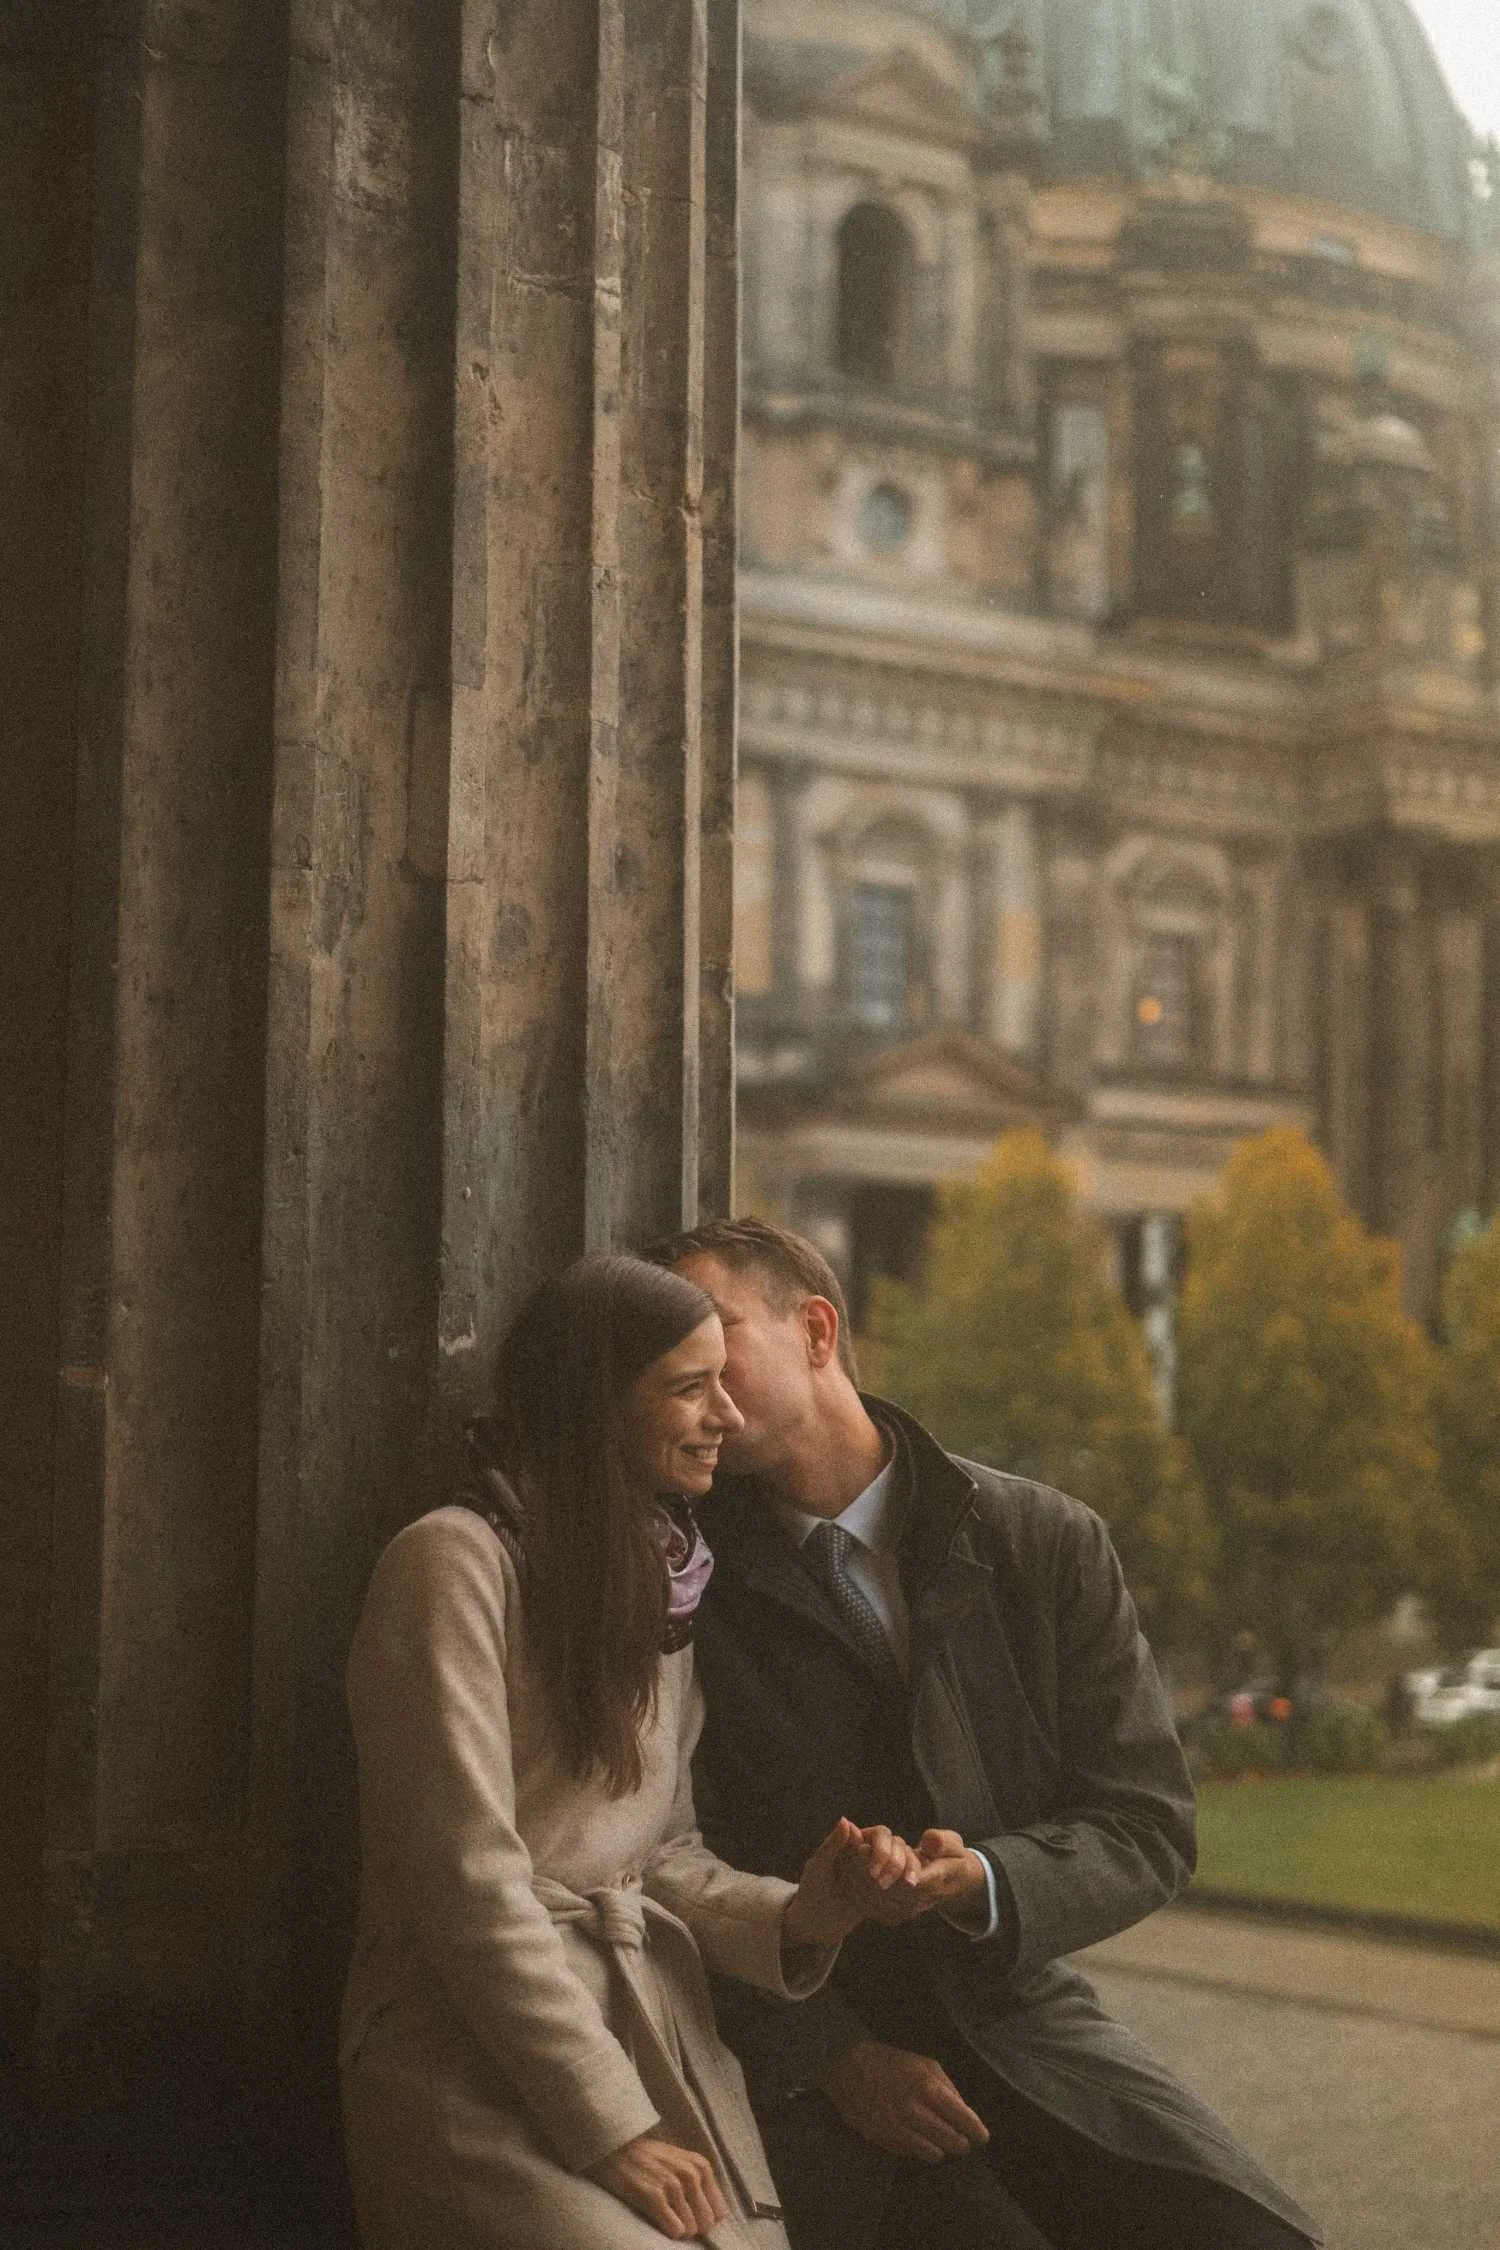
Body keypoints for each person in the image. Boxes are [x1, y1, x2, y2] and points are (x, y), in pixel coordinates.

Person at [648, 1217, 1322, 2250]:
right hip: (792, 2054)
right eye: (666, 1358)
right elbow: (646, 1865)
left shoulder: (1045, 1540)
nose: (694, 1374)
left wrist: (989, 1881)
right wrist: (830, 2055)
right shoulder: (678, 1583)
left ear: (818, 1331)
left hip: (1017, 2021)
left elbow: (1146, 1826)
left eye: (716, 1328)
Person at [340, 1253, 959, 2250]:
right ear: (597, 1403)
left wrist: (805, 1913)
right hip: (467, 2050)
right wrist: (611, 2126)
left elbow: (662, 1851)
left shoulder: (665, 1575)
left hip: (648, 2038)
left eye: (723, 1378)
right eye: (687, 1387)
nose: (725, 1414)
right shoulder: (451, 1564)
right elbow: (466, 1881)